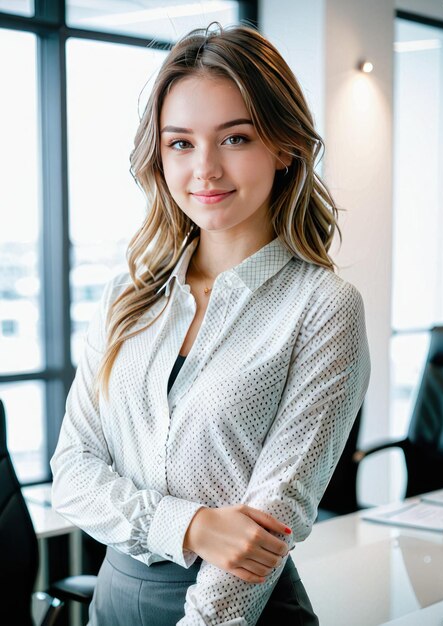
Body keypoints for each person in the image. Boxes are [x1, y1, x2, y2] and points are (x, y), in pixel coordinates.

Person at [51, 22, 370, 626]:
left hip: (234, 608)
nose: (205, 170)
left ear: (284, 147)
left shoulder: (323, 307)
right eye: (180, 143)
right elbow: (71, 472)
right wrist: (191, 525)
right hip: (112, 594)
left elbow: (268, 529)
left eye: (235, 138)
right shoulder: (128, 296)